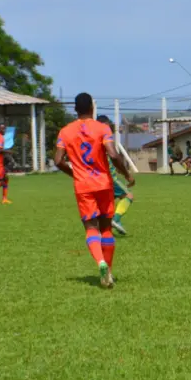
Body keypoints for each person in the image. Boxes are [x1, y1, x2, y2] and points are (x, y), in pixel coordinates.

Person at [55, 93, 135, 287]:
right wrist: (126, 173)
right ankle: (108, 270)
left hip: (83, 186)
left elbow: (58, 161)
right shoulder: (102, 128)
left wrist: (74, 174)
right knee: (106, 229)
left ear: (75, 109)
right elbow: (114, 155)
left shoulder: (65, 132)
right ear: (92, 107)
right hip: (103, 184)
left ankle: (99, 262)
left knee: (91, 228)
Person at [97, 115, 134, 235]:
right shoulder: (105, 137)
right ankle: (116, 220)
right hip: (109, 178)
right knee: (128, 196)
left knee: (106, 204)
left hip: (96, 178)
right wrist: (127, 175)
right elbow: (113, 156)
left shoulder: (93, 139)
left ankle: (104, 227)